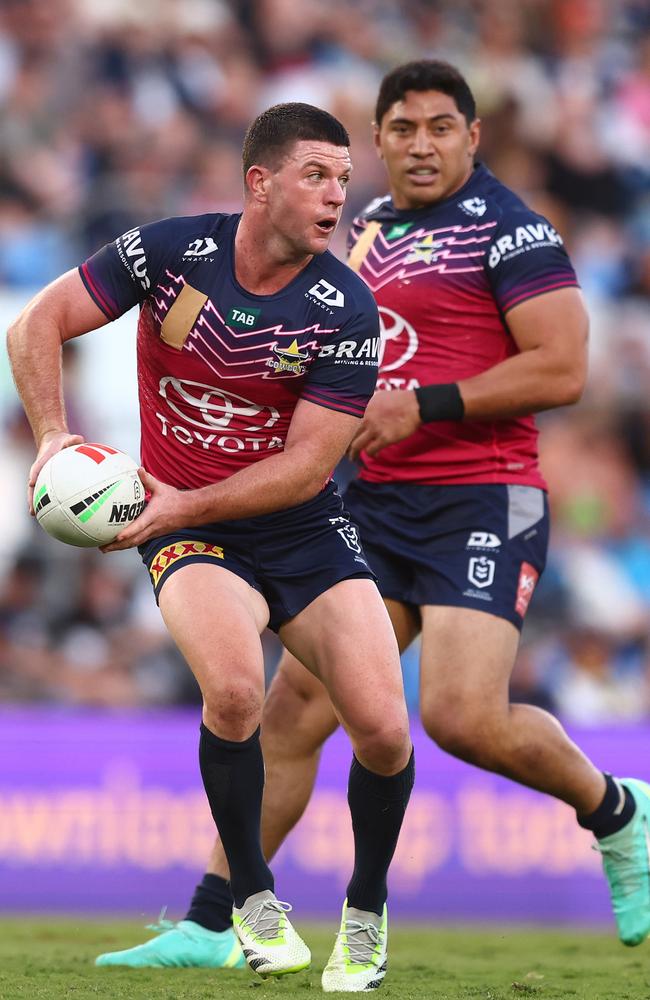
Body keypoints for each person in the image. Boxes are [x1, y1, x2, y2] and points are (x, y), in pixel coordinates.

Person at [99, 60, 649, 970]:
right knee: (294, 711)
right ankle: (208, 922)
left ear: (474, 137)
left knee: (460, 716)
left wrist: (423, 405)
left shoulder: (515, 232)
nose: (421, 144)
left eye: (441, 127)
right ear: (379, 138)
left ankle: (616, 811)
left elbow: (564, 369)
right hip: (373, 498)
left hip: (480, 494)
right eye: (402, 128)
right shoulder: (371, 228)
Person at [6, 102, 415, 992]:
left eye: (345, 179)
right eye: (317, 175)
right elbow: (34, 322)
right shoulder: (171, 253)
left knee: (384, 731)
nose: (337, 195)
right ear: (259, 183)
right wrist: (49, 438)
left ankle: (366, 912)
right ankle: (253, 903)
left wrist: (186, 499)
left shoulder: (344, 304)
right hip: (189, 530)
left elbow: (310, 467)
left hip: (296, 525)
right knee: (234, 693)